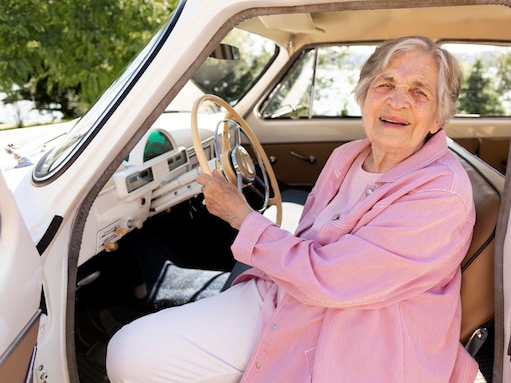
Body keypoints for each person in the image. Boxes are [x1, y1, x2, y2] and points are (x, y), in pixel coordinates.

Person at [106, 36, 479, 383]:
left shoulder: (441, 195)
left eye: (419, 92)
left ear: (437, 118)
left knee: (129, 353)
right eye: (386, 84)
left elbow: (334, 280)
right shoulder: (349, 156)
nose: (398, 101)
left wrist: (242, 217)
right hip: (289, 289)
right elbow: (312, 241)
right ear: (365, 95)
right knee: (131, 348)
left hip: (350, 327)